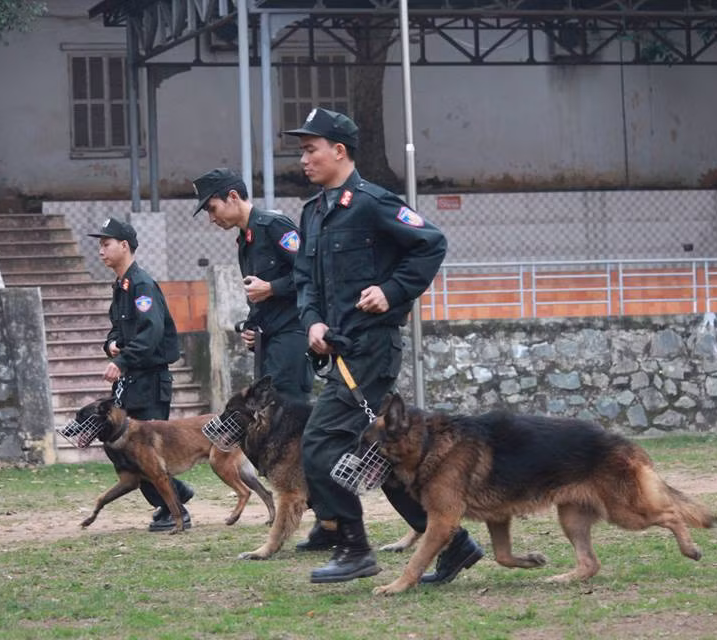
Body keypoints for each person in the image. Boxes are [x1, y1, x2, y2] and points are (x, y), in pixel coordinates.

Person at [284, 107, 485, 584]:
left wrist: (392, 291)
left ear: (339, 151)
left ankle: (352, 546)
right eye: (302, 151)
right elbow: (304, 280)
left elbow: (430, 243)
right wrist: (311, 322)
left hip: (371, 349)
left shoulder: (373, 203)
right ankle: (454, 544)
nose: (304, 159)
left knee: (319, 442)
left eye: (311, 149)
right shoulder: (313, 212)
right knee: (377, 451)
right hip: (338, 349)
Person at [87, 217, 195, 532]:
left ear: (124, 245)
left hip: (148, 381)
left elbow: (151, 332)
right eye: (100, 245)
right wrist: (111, 346)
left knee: (142, 450)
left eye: (106, 244)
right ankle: (176, 496)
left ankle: (174, 510)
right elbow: (117, 331)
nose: (101, 251)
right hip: (132, 381)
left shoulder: (141, 284)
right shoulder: (122, 287)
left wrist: (122, 362)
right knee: (126, 449)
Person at [191, 168, 313, 404]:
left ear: (233, 197)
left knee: (287, 415)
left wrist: (272, 287)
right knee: (267, 414)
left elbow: (310, 271)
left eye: (212, 208)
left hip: (292, 337)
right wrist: (251, 327)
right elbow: (258, 297)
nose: (211, 218)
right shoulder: (246, 239)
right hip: (268, 342)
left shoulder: (274, 226)